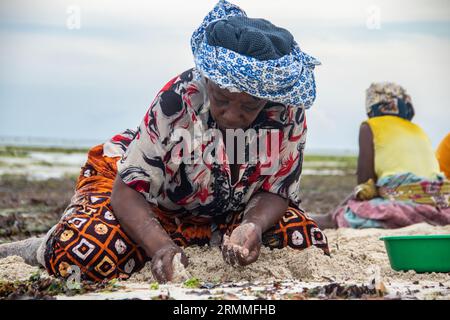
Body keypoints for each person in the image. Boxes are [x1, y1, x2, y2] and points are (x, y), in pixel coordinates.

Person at [0, 0, 328, 283]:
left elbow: (277, 190)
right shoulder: (179, 99)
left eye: (249, 106)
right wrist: (160, 247)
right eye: (222, 99)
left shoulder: (287, 115)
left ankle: (188, 239)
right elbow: (127, 191)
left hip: (220, 213)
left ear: (267, 97)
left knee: (303, 239)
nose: (231, 115)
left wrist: (252, 225)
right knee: (82, 252)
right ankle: (36, 247)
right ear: (209, 80)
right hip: (141, 197)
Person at [312, 82, 450, 229]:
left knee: (345, 214)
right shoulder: (418, 130)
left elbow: (365, 184)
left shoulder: (369, 126)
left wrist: (338, 210)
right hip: (439, 204)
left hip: (401, 203)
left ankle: (327, 218)